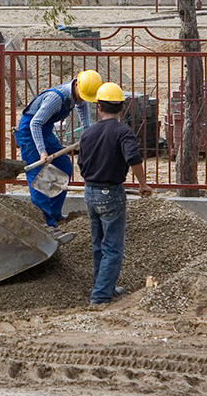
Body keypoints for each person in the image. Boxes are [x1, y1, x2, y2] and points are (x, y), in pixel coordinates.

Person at [77, 82, 154, 305]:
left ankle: (105, 287)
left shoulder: (88, 133)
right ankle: (100, 297)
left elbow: (82, 164)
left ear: (98, 106)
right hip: (111, 193)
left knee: (98, 244)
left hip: (90, 193)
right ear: (122, 107)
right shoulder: (123, 132)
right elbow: (134, 158)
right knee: (112, 248)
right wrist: (142, 184)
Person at [15, 69, 102, 237]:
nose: (83, 99)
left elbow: (84, 113)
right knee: (38, 175)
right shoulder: (56, 98)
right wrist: (42, 152)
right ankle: (45, 224)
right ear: (76, 84)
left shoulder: (79, 95)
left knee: (64, 167)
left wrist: (89, 136)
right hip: (30, 131)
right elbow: (35, 124)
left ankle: (54, 214)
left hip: (45, 131)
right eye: (82, 95)